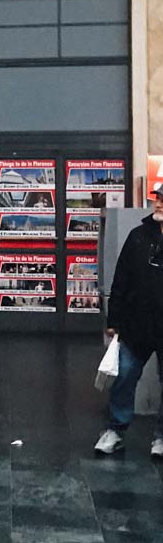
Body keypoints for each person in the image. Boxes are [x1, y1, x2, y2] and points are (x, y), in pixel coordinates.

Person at [95, 184, 163, 457]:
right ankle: (116, 430)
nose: (158, 203)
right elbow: (121, 280)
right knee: (124, 376)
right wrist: (114, 320)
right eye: (158, 198)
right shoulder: (138, 236)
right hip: (137, 326)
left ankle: (161, 438)